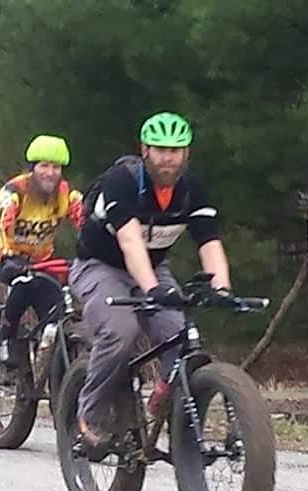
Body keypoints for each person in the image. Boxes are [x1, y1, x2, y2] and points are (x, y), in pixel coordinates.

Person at [72, 112, 233, 446]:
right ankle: (90, 412)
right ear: (145, 149)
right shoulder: (123, 181)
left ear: (186, 153)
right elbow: (130, 241)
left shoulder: (192, 190)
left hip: (153, 268)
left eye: (175, 150)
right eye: (159, 149)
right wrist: (154, 290)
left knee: (182, 338)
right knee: (121, 331)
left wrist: (222, 288)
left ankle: (158, 404)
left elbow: (209, 242)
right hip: (99, 266)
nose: (167, 157)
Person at [0, 134, 83, 370]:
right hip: (6, 256)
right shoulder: (15, 192)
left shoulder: (67, 195)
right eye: (44, 166)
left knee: (56, 311)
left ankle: (49, 367)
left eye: (55, 167)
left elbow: (86, 223)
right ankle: (4, 339)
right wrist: (6, 256)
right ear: (32, 168)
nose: (50, 173)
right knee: (23, 283)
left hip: (42, 260)